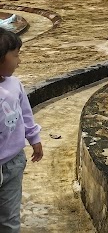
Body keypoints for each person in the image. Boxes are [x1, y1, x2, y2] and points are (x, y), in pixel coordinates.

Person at [0, 30, 43, 231]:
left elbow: (26, 114)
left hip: (12, 163)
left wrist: (34, 139)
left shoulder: (15, 85)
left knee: (9, 217)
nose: (19, 61)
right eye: (15, 55)